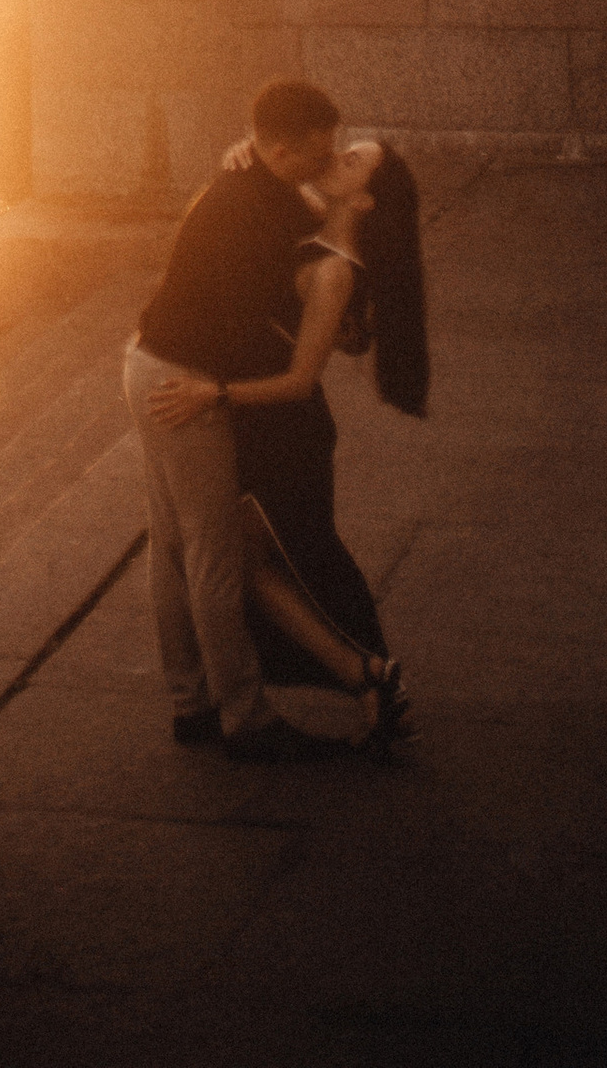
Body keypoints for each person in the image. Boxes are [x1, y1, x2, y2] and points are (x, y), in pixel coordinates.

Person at [123, 78, 352, 764]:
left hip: (148, 360)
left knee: (172, 543)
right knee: (212, 554)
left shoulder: (253, 182)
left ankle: (191, 703)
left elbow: (299, 197)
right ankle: (245, 716)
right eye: (317, 152)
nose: (326, 160)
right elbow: (264, 338)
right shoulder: (259, 216)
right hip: (181, 382)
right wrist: (219, 395)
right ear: (280, 151)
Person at [212, 137, 426, 757]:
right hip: (278, 428)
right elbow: (282, 179)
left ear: (364, 200)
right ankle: (370, 681)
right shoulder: (318, 221)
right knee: (288, 559)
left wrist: (212, 395)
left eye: (354, 161)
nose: (336, 156)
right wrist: (252, 149)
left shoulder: (335, 269)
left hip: (285, 433)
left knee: (274, 562)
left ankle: (369, 675)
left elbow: (301, 379)